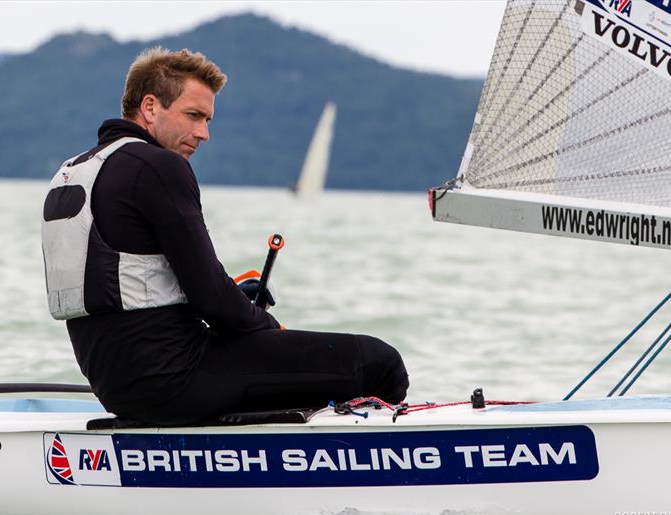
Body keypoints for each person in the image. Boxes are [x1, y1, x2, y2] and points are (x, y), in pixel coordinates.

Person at [41, 47, 409, 425]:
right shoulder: (158, 167)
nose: (204, 133)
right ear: (150, 107)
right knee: (380, 363)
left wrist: (234, 295)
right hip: (177, 380)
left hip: (117, 388)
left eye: (208, 120)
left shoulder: (73, 173)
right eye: (194, 116)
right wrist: (267, 328)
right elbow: (212, 300)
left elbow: (132, 288)